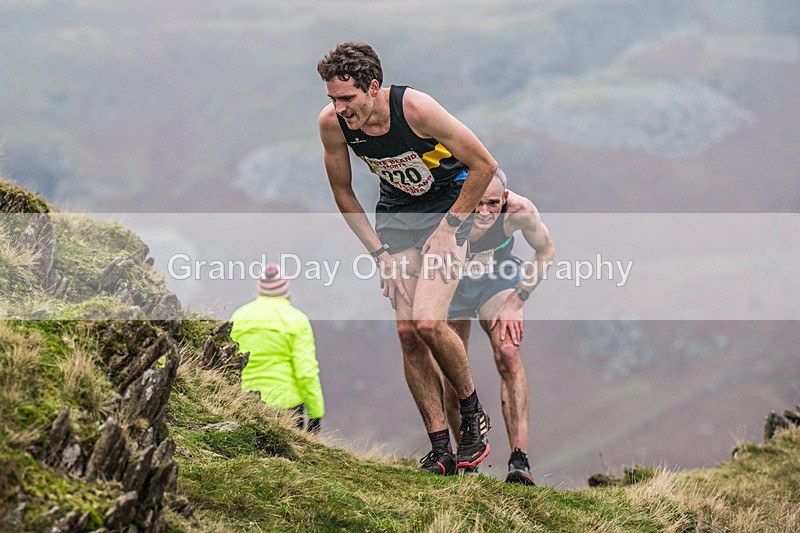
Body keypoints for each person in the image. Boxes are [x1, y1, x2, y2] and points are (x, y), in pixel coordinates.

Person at [317, 42, 498, 475]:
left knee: (429, 323)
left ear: (373, 87)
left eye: (348, 98)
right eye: (333, 99)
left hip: (448, 209)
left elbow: (484, 166)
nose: (340, 108)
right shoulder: (333, 124)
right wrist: (379, 253)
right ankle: (440, 449)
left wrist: (450, 228)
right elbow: (343, 192)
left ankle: (472, 413)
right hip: (398, 217)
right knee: (407, 332)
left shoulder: (416, 109)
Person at [445, 169, 554, 485]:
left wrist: (517, 301)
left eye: (492, 204)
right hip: (451, 284)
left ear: (504, 199)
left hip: (496, 280)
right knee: (453, 371)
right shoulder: (446, 205)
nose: (483, 212)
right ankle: (468, 460)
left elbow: (546, 251)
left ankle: (519, 461)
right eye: (476, 203)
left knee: (508, 350)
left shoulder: (519, 210)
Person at [230, 263, 325, 433]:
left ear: (260, 288)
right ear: (285, 290)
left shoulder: (239, 315)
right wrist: (315, 412)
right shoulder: (297, 320)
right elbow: (306, 371)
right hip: (287, 405)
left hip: (245, 400)